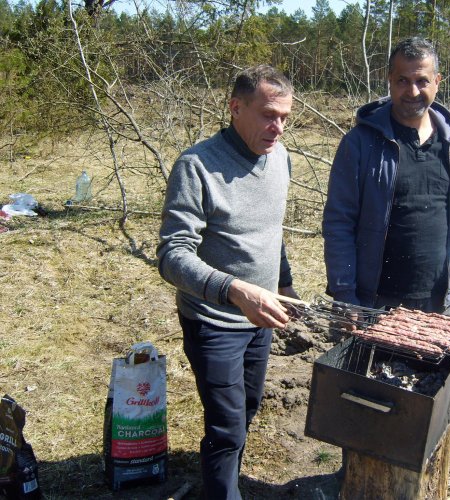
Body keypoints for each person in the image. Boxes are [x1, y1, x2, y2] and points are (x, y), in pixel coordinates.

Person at [156, 65, 299, 499]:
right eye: (268, 115)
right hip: (213, 320)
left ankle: (226, 478)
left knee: (248, 409)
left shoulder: (280, 159)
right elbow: (172, 256)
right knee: (226, 426)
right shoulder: (197, 165)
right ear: (236, 108)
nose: (277, 128)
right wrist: (235, 290)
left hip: (261, 319)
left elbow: (270, 233)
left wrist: (285, 283)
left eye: (286, 118)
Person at [322, 37, 450, 320]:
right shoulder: (359, 143)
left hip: (440, 299)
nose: (412, 91)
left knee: (429, 365)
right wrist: (345, 294)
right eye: (402, 80)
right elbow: (339, 222)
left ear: (437, 81)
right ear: (389, 81)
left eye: (422, 80)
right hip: (372, 301)